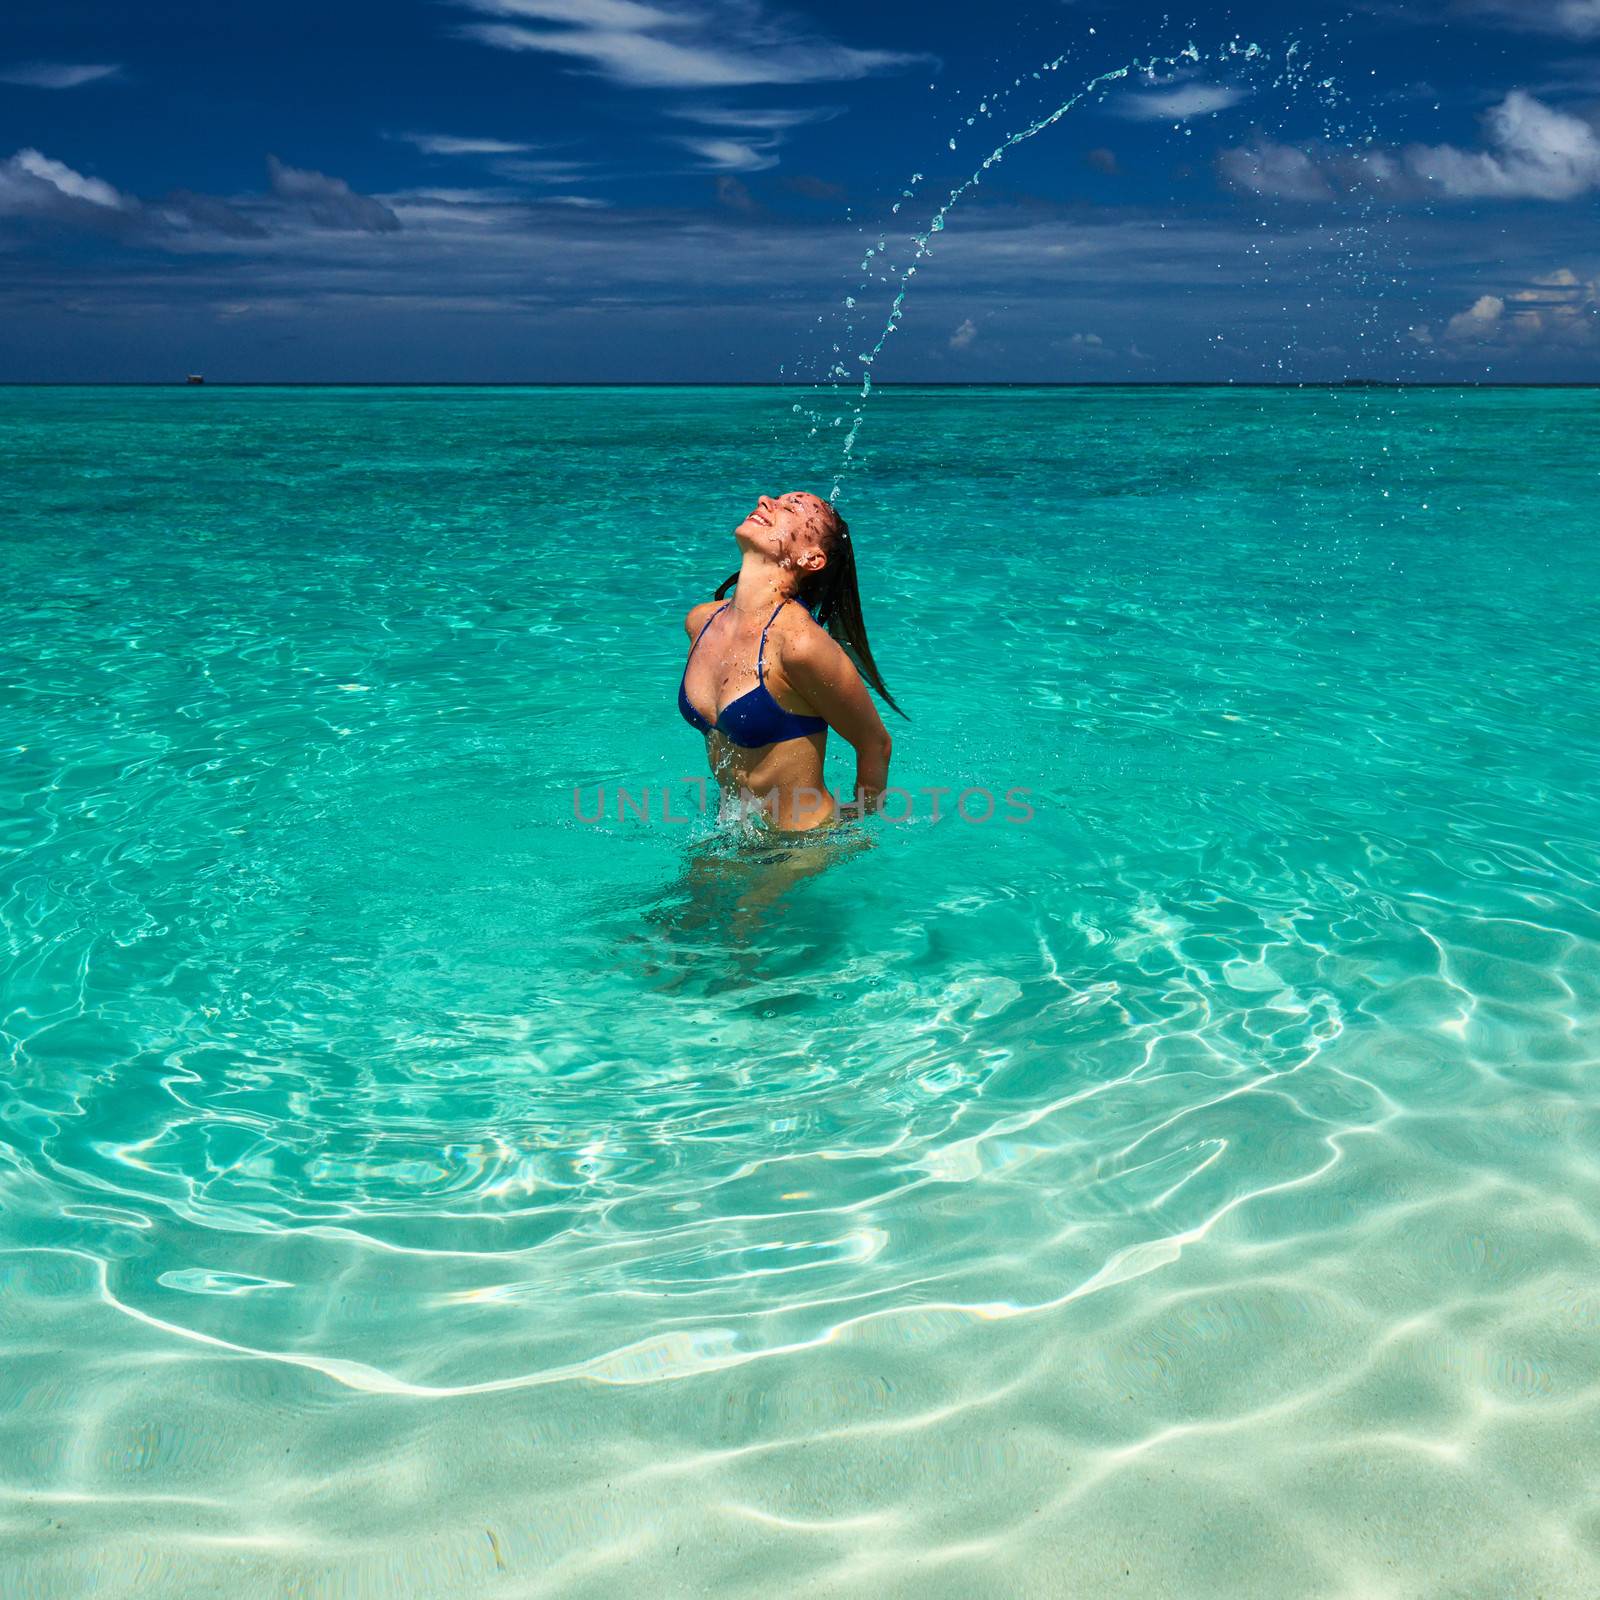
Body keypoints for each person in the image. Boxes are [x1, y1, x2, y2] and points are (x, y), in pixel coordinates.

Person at [678, 491, 903, 832]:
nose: (765, 499)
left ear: (812, 559)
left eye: (791, 507)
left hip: (802, 843)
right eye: (776, 499)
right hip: (733, 832)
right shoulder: (701, 622)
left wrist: (852, 829)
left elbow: (875, 744)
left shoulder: (800, 646)